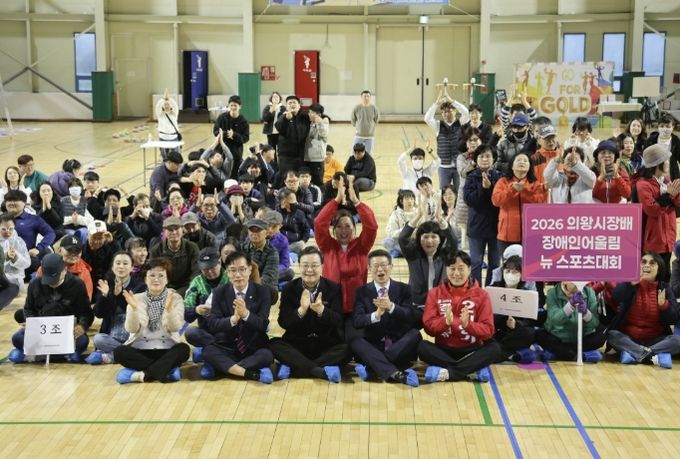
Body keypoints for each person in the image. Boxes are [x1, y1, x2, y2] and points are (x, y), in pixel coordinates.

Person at [418, 250, 501, 383]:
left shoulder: (482, 295)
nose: (456, 273)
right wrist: (445, 322)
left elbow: (488, 330)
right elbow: (428, 328)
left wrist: (469, 326)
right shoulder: (435, 293)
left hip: (472, 349)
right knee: (422, 347)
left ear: (469, 270)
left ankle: (448, 373)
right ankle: (470, 370)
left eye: (461, 269)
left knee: (494, 348)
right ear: (446, 270)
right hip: (444, 349)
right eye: (452, 269)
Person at [270, 246, 348, 382]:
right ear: (299, 266)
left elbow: (339, 320)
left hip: (325, 343)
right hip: (297, 343)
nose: (310, 270)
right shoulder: (289, 288)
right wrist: (301, 310)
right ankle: (318, 370)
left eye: (314, 265)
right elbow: (283, 322)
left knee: (347, 349)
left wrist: (322, 311)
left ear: (322, 266)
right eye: (305, 265)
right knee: (273, 344)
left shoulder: (333, 288)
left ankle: (297, 367)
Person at [315, 177, 377, 337]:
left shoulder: (362, 246)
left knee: (353, 342)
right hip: (331, 308)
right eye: (339, 226)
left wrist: (356, 202)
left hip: (356, 309)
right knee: (333, 342)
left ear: (354, 228)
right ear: (334, 230)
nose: (343, 230)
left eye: (348, 226)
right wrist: (336, 201)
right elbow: (319, 224)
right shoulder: (328, 246)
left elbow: (371, 226)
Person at [200, 251, 274, 383]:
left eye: (242, 269)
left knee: (267, 355)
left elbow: (263, 324)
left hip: (253, 347)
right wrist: (233, 319)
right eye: (233, 270)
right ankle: (248, 373)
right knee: (208, 351)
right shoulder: (219, 292)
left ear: (250, 270)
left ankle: (224, 368)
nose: (238, 275)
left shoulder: (263, 292)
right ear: (227, 272)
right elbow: (213, 324)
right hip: (227, 346)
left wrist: (245, 314)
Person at [113, 257, 189, 383]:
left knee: (183, 349)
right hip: (141, 349)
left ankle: (145, 374)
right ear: (145, 279)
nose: (156, 279)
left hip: (167, 349)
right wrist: (134, 309)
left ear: (167, 279)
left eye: (161, 276)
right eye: (152, 275)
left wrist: (169, 310)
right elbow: (131, 329)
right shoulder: (136, 298)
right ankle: (163, 370)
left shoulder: (175, 298)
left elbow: (175, 328)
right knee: (119, 352)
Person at [352, 250, 421, 387]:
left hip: (398, 346)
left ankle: (372, 367)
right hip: (374, 344)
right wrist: (376, 315)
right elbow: (357, 321)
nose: (380, 269)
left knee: (415, 334)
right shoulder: (361, 292)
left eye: (384, 265)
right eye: (376, 266)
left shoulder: (405, 289)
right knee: (355, 341)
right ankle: (395, 373)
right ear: (369, 268)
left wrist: (391, 307)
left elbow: (410, 316)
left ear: (391, 267)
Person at [8, 253, 93, 363]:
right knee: (17, 338)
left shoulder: (77, 284)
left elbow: (86, 312)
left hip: (67, 333)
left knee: (82, 341)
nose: (52, 283)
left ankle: (36, 355)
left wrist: (82, 325)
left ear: (64, 270)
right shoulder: (35, 284)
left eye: (55, 278)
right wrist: (30, 323)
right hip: (41, 333)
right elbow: (28, 309)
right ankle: (61, 355)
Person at [608, 252, 680, 368]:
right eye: (644, 262)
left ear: (659, 269)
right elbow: (616, 296)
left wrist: (664, 306)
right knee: (612, 335)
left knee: (677, 340)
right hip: (629, 338)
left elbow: (673, 319)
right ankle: (651, 355)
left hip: (655, 339)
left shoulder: (665, 288)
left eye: (652, 263)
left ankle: (636, 353)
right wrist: (630, 284)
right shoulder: (630, 282)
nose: (647, 265)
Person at [87, 251, 146, 364]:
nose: (121, 266)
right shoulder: (106, 285)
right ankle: (127, 354)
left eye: (125, 263)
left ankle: (112, 356)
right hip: (112, 336)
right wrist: (105, 296)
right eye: (118, 263)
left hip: (133, 335)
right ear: (113, 268)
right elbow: (99, 314)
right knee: (98, 339)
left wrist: (119, 296)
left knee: (143, 343)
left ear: (132, 268)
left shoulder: (140, 286)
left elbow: (136, 312)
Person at [399, 205, 457, 309]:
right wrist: (418, 216)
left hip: (440, 303)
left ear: (440, 240)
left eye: (434, 237)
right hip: (417, 303)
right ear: (419, 239)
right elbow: (402, 238)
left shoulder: (445, 255)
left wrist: (441, 220)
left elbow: (453, 241)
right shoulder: (413, 254)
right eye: (425, 237)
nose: (429, 241)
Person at [636, 144, 680, 277]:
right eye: (666, 160)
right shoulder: (643, 184)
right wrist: (669, 196)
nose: (668, 163)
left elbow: (677, 202)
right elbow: (652, 210)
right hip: (654, 239)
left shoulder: (666, 180)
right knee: (652, 276)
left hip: (668, 237)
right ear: (657, 164)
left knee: (666, 274)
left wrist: (675, 193)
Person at [492, 152, 547, 255]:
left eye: (525, 161)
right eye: (518, 160)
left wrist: (524, 191)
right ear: (512, 166)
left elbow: (540, 202)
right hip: (507, 234)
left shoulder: (535, 183)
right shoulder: (503, 181)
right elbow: (496, 201)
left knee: (530, 264)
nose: (522, 162)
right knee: (508, 264)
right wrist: (511, 190)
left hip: (530, 234)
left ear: (530, 166)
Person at [536, 282, 605, 362]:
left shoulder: (590, 292)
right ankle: (582, 355)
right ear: (564, 281)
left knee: (602, 335)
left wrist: (586, 314)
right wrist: (569, 306)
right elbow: (554, 320)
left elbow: (594, 323)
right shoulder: (552, 292)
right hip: (559, 337)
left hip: (582, 337)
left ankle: (561, 353)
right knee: (539, 335)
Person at [463, 144, 501, 286]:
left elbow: (499, 200)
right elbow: (470, 200)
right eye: (481, 156)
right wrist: (483, 188)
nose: (485, 159)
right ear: (476, 160)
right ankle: (476, 292)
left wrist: (489, 188)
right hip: (476, 227)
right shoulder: (471, 177)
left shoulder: (500, 177)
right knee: (476, 262)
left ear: (493, 159)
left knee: (495, 263)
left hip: (495, 227)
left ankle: (491, 291)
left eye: (488, 156)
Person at [183, 246, 229, 363]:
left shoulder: (231, 278)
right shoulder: (197, 282)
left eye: (212, 267)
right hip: (207, 332)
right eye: (205, 269)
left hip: (228, 329)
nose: (209, 272)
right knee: (190, 332)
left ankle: (210, 352)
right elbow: (185, 311)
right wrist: (196, 310)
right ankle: (222, 350)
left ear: (219, 262)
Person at [489, 255, 537, 363]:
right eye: (508, 271)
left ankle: (499, 352)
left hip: (514, 333)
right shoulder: (494, 288)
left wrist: (517, 324)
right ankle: (509, 354)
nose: (510, 274)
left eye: (515, 272)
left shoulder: (527, 294)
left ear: (521, 275)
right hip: (496, 329)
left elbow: (530, 320)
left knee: (530, 332)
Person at [4, 190, 55, 276]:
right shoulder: (2, 219)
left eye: (15, 200)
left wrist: (39, 248)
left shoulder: (33, 219)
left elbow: (50, 233)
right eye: (9, 200)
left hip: (25, 260)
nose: (11, 203)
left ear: (24, 203)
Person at [424, 93, 470, 191]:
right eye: (444, 112)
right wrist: (436, 103)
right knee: (444, 192)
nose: (446, 113)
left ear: (455, 111)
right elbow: (427, 118)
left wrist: (452, 101)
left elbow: (466, 113)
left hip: (459, 165)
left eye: (449, 111)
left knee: (460, 191)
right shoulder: (438, 125)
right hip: (443, 166)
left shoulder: (461, 123)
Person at [149, 216, 199, 295]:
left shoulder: (192, 247)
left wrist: (186, 289)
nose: (174, 232)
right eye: (170, 230)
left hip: (187, 287)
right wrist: (164, 289)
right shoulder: (156, 250)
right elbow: (153, 273)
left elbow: (196, 272)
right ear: (164, 231)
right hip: (164, 288)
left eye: (177, 229)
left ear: (182, 230)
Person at [241, 218, 280, 300]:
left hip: (264, 287)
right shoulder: (242, 248)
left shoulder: (272, 252)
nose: (254, 233)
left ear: (266, 233)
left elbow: (268, 277)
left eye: (258, 230)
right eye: (251, 230)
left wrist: (249, 287)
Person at [275, 95, 311, 185]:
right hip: (286, 156)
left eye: (294, 102)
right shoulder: (282, 116)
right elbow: (279, 127)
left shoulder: (305, 116)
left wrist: (325, 117)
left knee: (300, 180)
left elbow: (316, 114)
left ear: (299, 105)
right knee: (286, 179)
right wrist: (286, 119)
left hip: (302, 156)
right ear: (286, 106)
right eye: (289, 103)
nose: (292, 104)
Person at [212, 95, 250, 179]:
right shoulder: (222, 117)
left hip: (235, 153)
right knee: (218, 175)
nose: (233, 107)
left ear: (240, 106)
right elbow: (215, 132)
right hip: (220, 151)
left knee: (233, 175)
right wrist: (226, 134)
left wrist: (234, 135)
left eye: (235, 105)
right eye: (231, 105)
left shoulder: (244, 121)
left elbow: (245, 138)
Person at [83, 220, 122, 289]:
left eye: (100, 238)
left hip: (106, 283)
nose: (96, 241)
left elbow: (120, 259)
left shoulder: (110, 247)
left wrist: (113, 243)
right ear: (88, 235)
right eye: (94, 237)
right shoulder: (81, 250)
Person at [0, 213, 30, 293]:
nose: (7, 232)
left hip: (16, 279)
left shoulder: (18, 242)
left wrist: (16, 258)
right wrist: (5, 256)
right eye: (3, 229)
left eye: (10, 229)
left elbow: (27, 263)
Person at [383, 189, 417, 259]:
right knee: (387, 242)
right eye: (407, 199)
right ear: (401, 201)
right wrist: (405, 231)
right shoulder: (396, 214)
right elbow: (391, 233)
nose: (410, 201)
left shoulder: (418, 213)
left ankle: (399, 252)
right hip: (400, 242)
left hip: (414, 242)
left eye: (412, 199)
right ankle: (401, 251)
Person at [644, 114, 679, 180]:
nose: (664, 128)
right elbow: (646, 158)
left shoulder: (676, 141)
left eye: (668, 126)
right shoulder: (650, 140)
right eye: (662, 126)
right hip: (653, 174)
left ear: (673, 127)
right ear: (658, 127)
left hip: (671, 174)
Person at [277, 188, 310, 256]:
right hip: (280, 243)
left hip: (295, 244)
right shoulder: (276, 213)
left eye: (296, 201)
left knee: (300, 246)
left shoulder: (300, 213)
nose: (296, 204)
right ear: (284, 202)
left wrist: (303, 241)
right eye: (293, 202)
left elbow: (306, 229)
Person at [304, 103, 329, 188]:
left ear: (318, 114)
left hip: (317, 159)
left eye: (311, 112)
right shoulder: (309, 123)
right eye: (309, 112)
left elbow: (324, 134)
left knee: (318, 183)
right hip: (306, 158)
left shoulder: (324, 124)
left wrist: (320, 123)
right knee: (307, 183)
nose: (309, 114)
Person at [351, 90, 380, 155]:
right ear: (361, 97)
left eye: (368, 96)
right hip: (358, 135)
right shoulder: (356, 108)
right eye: (364, 96)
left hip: (370, 136)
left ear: (370, 98)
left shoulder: (374, 108)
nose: (366, 98)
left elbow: (376, 119)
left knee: (368, 154)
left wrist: (371, 127)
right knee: (355, 153)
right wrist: (358, 127)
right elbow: (353, 119)